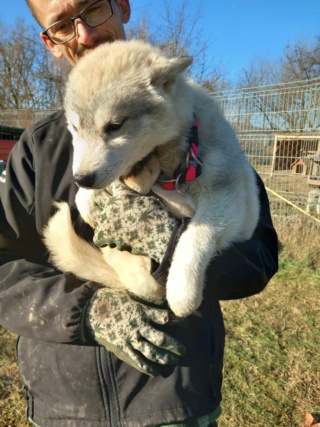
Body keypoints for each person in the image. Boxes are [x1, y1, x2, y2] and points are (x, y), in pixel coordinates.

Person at [0, 0, 278, 426]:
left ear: (122, 7)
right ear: (50, 42)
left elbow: (257, 262)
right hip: (63, 407)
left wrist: (170, 242)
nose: (85, 35)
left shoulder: (203, 127)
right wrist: (89, 312)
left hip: (175, 398)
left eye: (93, 9)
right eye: (61, 26)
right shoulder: (39, 149)